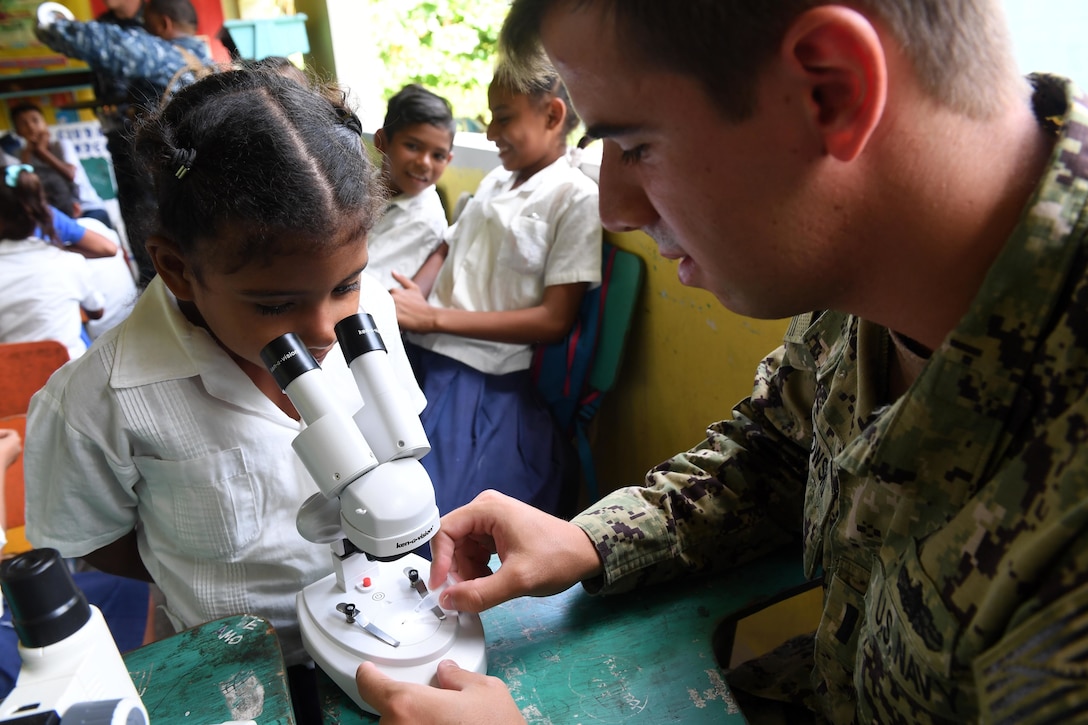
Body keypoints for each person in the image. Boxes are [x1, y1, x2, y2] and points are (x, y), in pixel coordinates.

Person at [353, 1, 1088, 723]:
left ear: (831, 90)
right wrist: (586, 538)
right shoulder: (859, 273)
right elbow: (772, 451)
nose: (613, 204)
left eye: (635, 144)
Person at [23, 67, 424, 725]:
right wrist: (192, 572)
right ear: (179, 269)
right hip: (234, 670)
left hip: (380, 633)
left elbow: (397, 432)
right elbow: (94, 538)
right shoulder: (97, 400)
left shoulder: (367, 313)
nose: (326, 329)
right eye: (276, 303)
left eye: (345, 285)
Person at [391, 57, 601, 519]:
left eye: (503, 118)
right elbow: (447, 248)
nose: (489, 133)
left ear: (552, 116)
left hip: (482, 375)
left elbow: (553, 320)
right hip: (422, 355)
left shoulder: (574, 197)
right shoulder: (496, 180)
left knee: (432, 515)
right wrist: (410, 299)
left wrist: (431, 317)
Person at [35, 0, 215, 288]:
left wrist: (51, 24)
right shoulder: (206, 60)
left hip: (154, 173)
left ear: (163, 25)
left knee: (152, 237)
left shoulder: (161, 54)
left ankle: (158, 293)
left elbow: (102, 43)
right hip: (192, 171)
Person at [0, 165, 105, 359]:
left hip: (14, 382)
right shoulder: (69, 262)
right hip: (71, 376)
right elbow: (97, 311)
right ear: (45, 210)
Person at [364, 84, 455, 291]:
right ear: (381, 142)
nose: (425, 162)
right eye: (413, 146)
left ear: (448, 160)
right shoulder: (363, 183)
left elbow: (367, 286)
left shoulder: (424, 221)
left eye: (438, 156)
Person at [10, 102, 111, 227]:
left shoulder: (61, 145)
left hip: (88, 209)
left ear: (45, 124)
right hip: (58, 215)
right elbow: (24, 186)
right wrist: (27, 153)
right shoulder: (19, 155)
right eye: (23, 123)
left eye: (35, 121)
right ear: (18, 131)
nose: (31, 127)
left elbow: (71, 175)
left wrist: (42, 152)